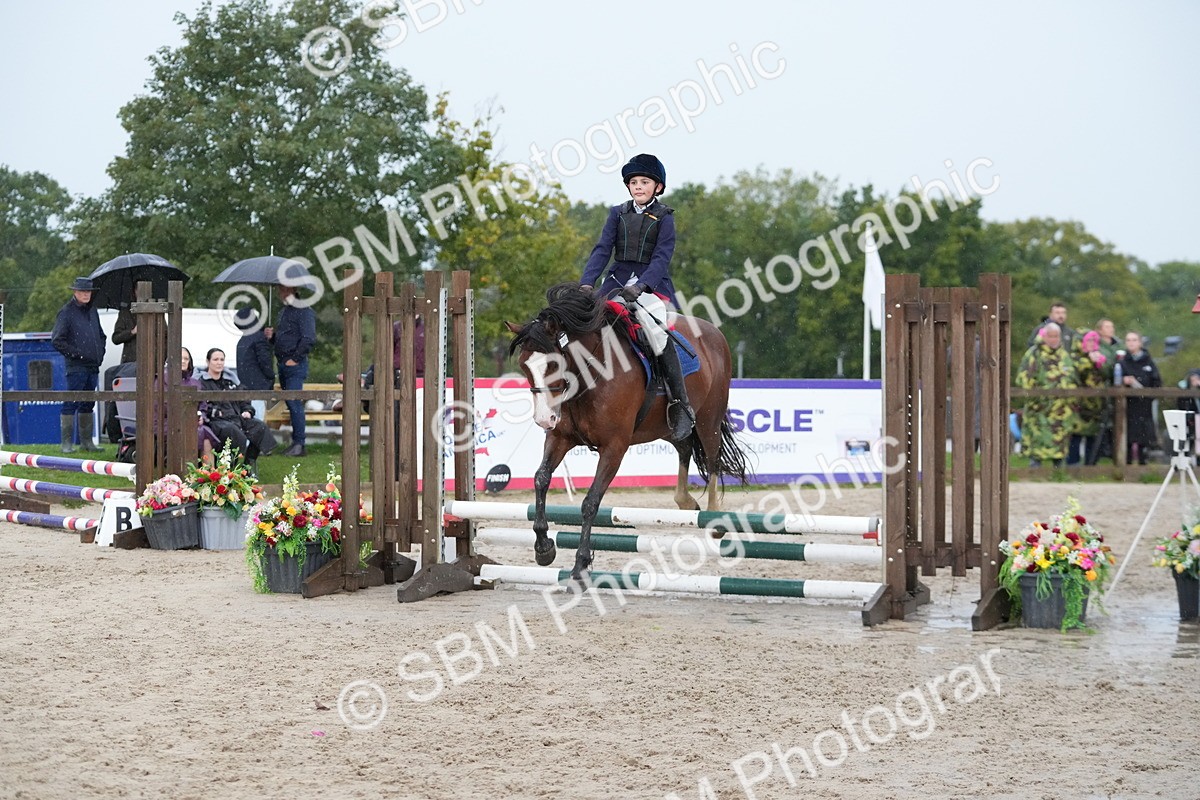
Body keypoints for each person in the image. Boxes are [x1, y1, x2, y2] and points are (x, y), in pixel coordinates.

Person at [580, 153, 693, 441]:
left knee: (657, 333)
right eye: (633, 182)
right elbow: (602, 250)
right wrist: (587, 283)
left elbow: (662, 257)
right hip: (615, 283)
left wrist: (642, 286)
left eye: (644, 182)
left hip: (652, 286)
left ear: (658, 187)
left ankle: (680, 404)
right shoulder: (617, 213)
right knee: (586, 325)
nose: (638, 186)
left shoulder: (665, 218)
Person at [198, 348, 276, 473]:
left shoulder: (231, 381)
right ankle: (228, 470)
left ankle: (248, 466)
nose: (219, 362)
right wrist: (215, 411)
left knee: (259, 427)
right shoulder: (202, 383)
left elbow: (244, 399)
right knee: (233, 432)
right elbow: (202, 405)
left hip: (236, 417)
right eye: (215, 359)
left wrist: (248, 411)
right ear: (208, 362)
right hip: (215, 421)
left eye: (222, 359)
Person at [51, 277, 106, 453]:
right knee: (71, 402)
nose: (86, 294)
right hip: (76, 367)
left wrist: (100, 353)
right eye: (82, 291)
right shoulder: (66, 312)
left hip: (93, 366)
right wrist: (77, 355)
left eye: (88, 291)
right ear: (75, 292)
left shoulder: (93, 311)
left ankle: (86, 442)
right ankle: (66, 444)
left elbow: (102, 336)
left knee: (88, 403)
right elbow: (57, 340)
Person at [1015, 323, 1078, 468]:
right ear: (1044, 336)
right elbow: (1023, 378)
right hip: (1040, 410)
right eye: (1051, 336)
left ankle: (1059, 473)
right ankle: (1035, 470)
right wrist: (1038, 395)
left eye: (1056, 336)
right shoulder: (1034, 354)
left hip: (1061, 411)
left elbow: (1073, 378)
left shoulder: (1064, 355)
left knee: (1059, 445)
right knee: (1037, 442)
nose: (1054, 340)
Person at [272, 284, 316, 456]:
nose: (281, 293)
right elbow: (284, 338)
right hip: (283, 363)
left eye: (285, 290)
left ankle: (299, 444)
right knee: (291, 403)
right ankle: (296, 443)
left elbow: (308, 338)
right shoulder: (284, 312)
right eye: (280, 290)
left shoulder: (304, 310)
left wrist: (295, 359)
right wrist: (272, 337)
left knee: (294, 402)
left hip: (294, 365)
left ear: (294, 289)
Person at [1120, 330, 1161, 465]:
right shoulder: (1122, 362)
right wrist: (1124, 381)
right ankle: (1126, 467)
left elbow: (1157, 383)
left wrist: (1143, 389)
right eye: (1128, 340)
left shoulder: (1148, 362)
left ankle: (1144, 466)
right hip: (1127, 406)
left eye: (1134, 340)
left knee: (1144, 437)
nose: (1131, 343)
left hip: (1144, 406)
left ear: (1140, 343)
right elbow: (1115, 381)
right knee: (1128, 437)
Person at [1067, 330, 1107, 466]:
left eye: (1093, 341)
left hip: (1095, 407)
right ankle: (1072, 467)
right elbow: (1077, 375)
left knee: (1092, 437)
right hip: (1078, 406)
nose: (1091, 344)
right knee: (1076, 436)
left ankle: (1090, 467)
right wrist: (1090, 361)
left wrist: (1100, 364)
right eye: (1088, 340)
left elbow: (1107, 375)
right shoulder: (1074, 359)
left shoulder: (1099, 357)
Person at [180, 347, 220, 466]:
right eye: (180, 358)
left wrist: (201, 416)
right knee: (197, 433)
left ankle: (209, 474)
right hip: (169, 424)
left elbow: (203, 405)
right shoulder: (163, 381)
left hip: (195, 423)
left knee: (205, 436)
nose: (183, 361)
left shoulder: (195, 383)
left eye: (186, 359)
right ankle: (186, 473)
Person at [234, 308, 274, 421]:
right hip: (258, 387)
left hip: (245, 386)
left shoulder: (243, 340)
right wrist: (271, 376)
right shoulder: (259, 338)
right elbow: (265, 361)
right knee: (257, 420)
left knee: (248, 420)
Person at [1175, 368, 1200, 461]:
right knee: (1189, 439)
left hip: (1197, 418)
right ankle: (1185, 457)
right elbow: (1182, 404)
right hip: (1189, 418)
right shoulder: (1183, 388)